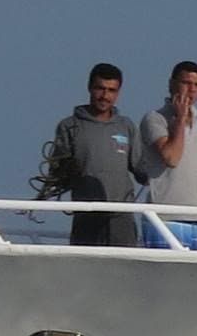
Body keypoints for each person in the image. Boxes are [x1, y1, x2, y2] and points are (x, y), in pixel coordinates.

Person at [34, 65, 141, 246]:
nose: (105, 96)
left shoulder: (126, 126)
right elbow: (57, 171)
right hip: (86, 214)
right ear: (90, 87)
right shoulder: (69, 126)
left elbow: (141, 170)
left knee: (125, 263)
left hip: (121, 217)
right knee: (85, 263)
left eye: (111, 90)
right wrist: (63, 173)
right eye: (100, 88)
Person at [135, 60, 197, 248]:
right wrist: (180, 120)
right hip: (163, 216)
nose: (191, 90)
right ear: (172, 84)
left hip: (191, 216)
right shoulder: (155, 119)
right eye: (186, 83)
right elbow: (171, 158)